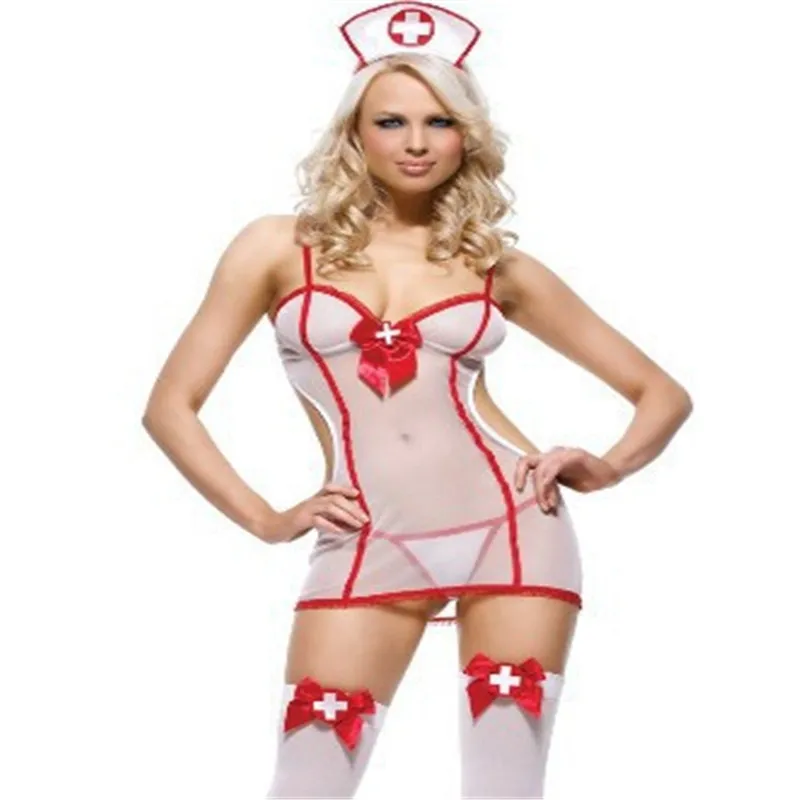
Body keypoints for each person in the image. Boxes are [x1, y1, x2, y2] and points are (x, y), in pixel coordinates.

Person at [141, 2, 693, 797]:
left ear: (467, 137)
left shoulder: (495, 264)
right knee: (307, 783)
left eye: (440, 122)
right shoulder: (277, 246)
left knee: (504, 786)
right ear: (354, 133)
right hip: (364, 535)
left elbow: (661, 394)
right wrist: (266, 519)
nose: (416, 143)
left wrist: (602, 467)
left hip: (513, 528)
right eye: (391, 122)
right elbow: (170, 405)